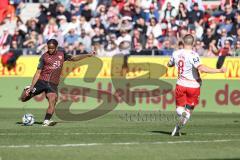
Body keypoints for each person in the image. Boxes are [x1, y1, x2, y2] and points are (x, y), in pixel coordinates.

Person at [20, 39, 94, 126]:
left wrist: (88, 55)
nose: (50, 50)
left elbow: (74, 58)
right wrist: (32, 86)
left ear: (56, 47)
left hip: (52, 84)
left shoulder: (62, 54)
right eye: (49, 48)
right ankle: (28, 88)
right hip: (41, 81)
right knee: (24, 98)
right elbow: (38, 72)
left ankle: (46, 121)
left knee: (53, 101)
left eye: (52, 48)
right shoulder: (44, 57)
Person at [167, 34, 227, 136]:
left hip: (180, 85)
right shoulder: (194, 55)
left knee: (179, 108)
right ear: (193, 43)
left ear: (183, 42)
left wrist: (172, 63)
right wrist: (219, 70)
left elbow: (169, 64)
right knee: (189, 110)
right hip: (194, 86)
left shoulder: (176, 53)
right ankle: (184, 117)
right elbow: (202, 68)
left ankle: (177, 128)